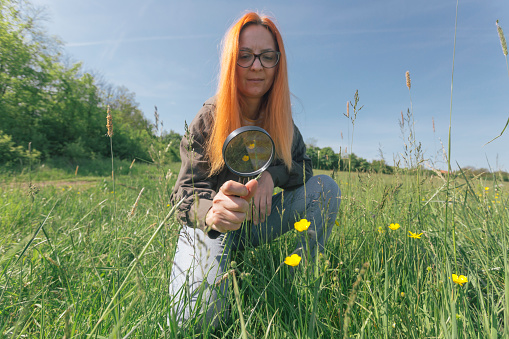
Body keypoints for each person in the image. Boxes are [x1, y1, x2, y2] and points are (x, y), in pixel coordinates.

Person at [169, 11, 340, 329]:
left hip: (257, 221)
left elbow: (304, 168)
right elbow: (183, 194)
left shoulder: (282, 122)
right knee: (196, 322)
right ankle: (218, 261)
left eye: (267, 56)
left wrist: (270, 178)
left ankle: (297, 282)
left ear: (278, 64)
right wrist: (210, 212)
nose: (256, 65)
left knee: (326, 189)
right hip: (212, 230)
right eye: (245, 56)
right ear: (232, 61)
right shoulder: (209, 118)